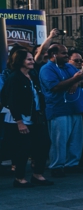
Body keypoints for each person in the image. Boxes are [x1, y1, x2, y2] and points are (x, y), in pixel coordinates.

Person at [1, 48, 52, 187]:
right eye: (28, 59)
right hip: (19, 119)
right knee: (22, 148)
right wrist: (19, 122)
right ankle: (19, 178)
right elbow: (12, 101)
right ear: (20, 61)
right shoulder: (14, 78)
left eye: (31, 59)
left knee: (43, 143)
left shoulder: (33, 75)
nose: (32, 61)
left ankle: (38, 174)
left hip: (35, 117)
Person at [39, 46, 83, 176]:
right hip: (59, 108)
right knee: (59, 140)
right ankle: (57, 166)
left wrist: (75, 82)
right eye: (64, 53)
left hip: (76, 107)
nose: (67, 56)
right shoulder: (47, 69)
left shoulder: (69, 66)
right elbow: (55, 87)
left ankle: (72, 164)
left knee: (76, 139)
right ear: (53, 54)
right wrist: (74, 80)